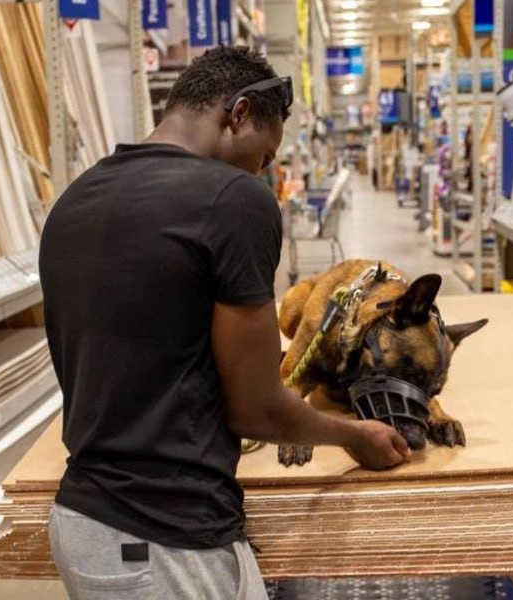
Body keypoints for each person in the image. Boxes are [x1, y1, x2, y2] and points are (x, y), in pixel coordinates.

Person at [39, 46, 409, 600]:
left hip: (82, 525)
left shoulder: (75, 200)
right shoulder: (233, 201)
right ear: (237, 114)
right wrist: (353, 436)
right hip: (167, 539)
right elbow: (256, 407)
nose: (264, 173)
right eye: (264, 157)